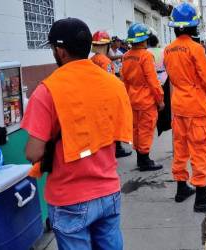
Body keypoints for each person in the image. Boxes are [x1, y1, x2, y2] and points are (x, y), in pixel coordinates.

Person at [22, 17, 133, 249]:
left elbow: (33, 153)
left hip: (70, 197)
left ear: (61, 51)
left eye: (53, 48)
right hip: (108, 190)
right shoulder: (113, 84)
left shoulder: (47, 91)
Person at [164, 2, 206, 212]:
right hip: (195, 106)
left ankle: (182, 188)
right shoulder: (195, 48)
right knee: (200, 149)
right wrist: (203, 95)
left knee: (180, 147)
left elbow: (171, 78)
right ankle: (202, 196)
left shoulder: (168, 50)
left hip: (178, 105)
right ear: (193, 27)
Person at [121, 23, 165, 171]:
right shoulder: (146, 56)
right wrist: (160, 100)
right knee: (146, 129)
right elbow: (153, 80)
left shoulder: (126, 56)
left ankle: (141, 158)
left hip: (132, 99)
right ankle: (145, 160)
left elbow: (124, 80)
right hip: (146, 100)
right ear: (144, 40)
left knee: (136, 129)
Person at [91, 30, 132, 158]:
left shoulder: (91, 60)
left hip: (95, 96)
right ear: (107, 45)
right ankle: (116, 148)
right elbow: (110, 80)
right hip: (107, 97)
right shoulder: (105, 61)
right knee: (113, 123)